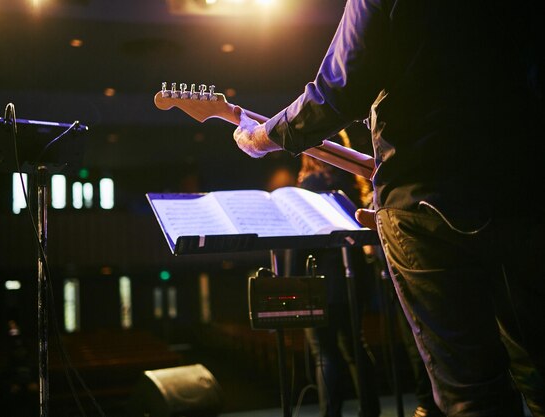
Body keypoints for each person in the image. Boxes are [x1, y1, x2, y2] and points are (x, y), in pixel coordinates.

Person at [231, 1, 545, 416]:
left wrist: (262, 138)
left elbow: (337, 90)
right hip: (522, 195)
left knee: (472, 392)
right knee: (537, 368)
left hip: (424, 201)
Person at [292, 132, 380, 417]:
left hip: (320, 278)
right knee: (355, 345)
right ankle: (371, 409)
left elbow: (303, 236)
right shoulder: (351, 184)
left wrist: (293, 278)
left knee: (324, 352)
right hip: (353, 274)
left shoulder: (310, 184)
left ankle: (331, 414)